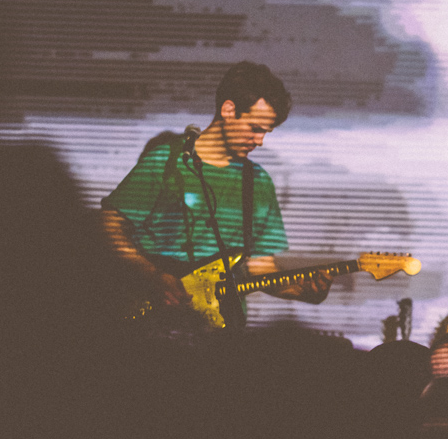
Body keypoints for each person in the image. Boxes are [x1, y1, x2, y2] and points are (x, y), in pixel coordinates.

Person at [101, 61, 332, 326]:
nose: (260, 141)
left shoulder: (258, 182)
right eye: (255, 128)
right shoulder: (166, 161)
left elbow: (260, 267)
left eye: (266, 132)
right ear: (228, 109)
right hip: (153, 320)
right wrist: (153, 275)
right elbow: (109, 225)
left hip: (220, 329)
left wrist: (305, 293)